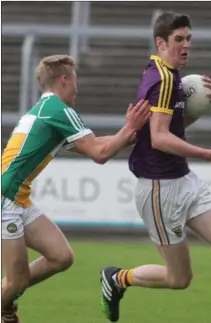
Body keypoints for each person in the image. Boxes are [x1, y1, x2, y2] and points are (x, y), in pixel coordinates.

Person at [100, 11, 211, 322]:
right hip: (161, 190)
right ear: (160, 42)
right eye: (178, 40)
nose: (186, 45)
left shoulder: (168, 75)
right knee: (179, 279)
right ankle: (118, 278)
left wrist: (204, 101)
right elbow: (160, 139)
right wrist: (208, 154)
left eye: (188, 39)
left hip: (184, 180)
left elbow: (165, 128)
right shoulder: (161, 80)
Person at [1, 54, 151, 323]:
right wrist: (127, 129)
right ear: (64, 80)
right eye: (75, 82)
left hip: (17, 198)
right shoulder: (59, 110)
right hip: (5, 198)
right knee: (17, 281)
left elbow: (94, 143)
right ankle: (6, 304)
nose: (78, 89)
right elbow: (100, 153)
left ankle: (6, 300)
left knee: (61, 256)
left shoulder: (47, 109)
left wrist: (130, 135)